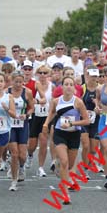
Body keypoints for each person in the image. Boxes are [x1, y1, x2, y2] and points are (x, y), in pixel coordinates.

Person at [43, 76, 90, 205]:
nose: (69, 86)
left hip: (74, 134)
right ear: (62, 87)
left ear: (74, 87)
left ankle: (60, 166)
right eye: (66, 84)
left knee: (69, 164)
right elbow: (51, 113)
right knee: (64, 161)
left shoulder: (78, 102)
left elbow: (87, 120)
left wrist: (72, 123)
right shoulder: (56, 101)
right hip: (59, 133)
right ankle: (65, 194)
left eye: (71, 84)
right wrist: (46, 124)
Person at [7, 71, 34, 191]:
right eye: (16, 81)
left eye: (20, 82)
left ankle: (21, 167)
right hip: (10, 125)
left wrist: (26, 115)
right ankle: (14, 177)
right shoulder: (7, 92)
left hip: (23, 124)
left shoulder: (27, 92)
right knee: (14, 153)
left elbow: (32, 108)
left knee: (23, 155)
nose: (18, 84)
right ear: (12, 81)